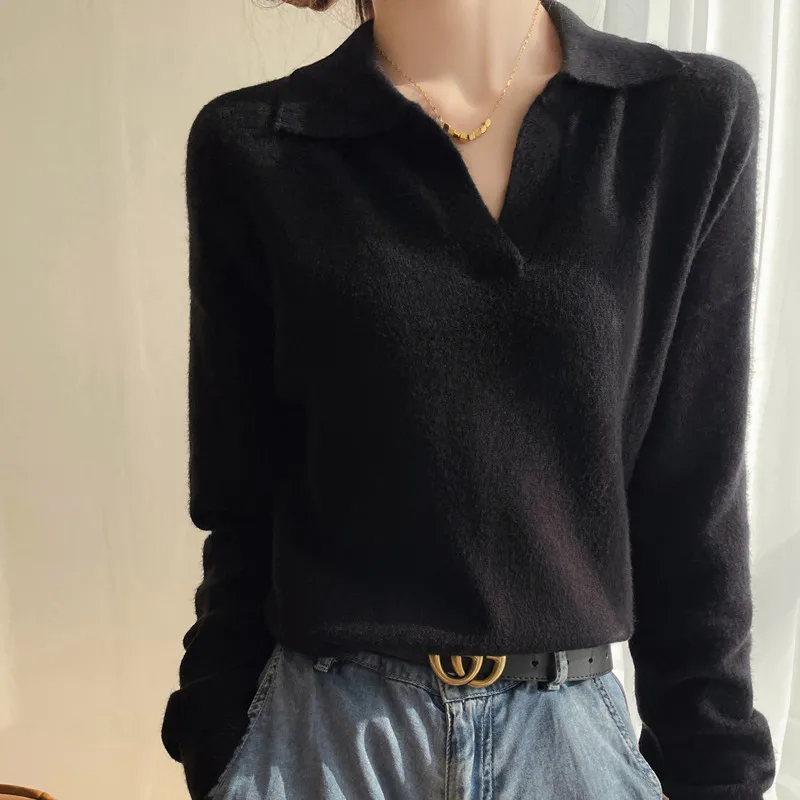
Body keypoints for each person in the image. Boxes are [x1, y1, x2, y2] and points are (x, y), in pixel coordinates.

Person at [160, 0, 777, 798]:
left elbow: (692, 493)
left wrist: (716, 770)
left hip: (567, 745)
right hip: (323, 742)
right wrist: (219, 738)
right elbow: (240, 498)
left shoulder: (685, 119)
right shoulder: (256, 146)